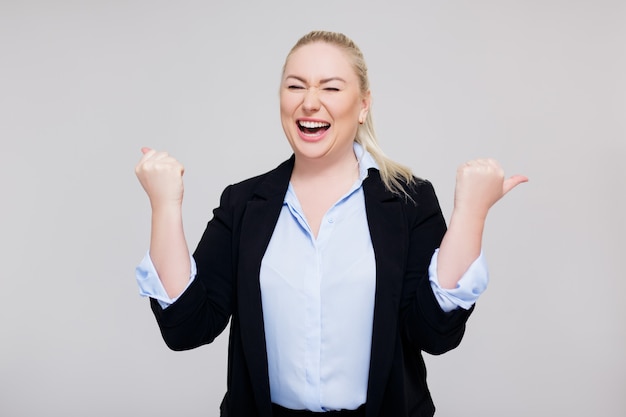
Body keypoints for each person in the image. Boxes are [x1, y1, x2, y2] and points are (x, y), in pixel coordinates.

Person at [134, 31, 527, 417]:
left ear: (363, 105)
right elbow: (186, 328)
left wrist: (471, 213)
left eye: (331, 89)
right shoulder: (243, 204)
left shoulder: (408, 201)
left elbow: (434, 333)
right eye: (296, 86)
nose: (309, 103)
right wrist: (165, 205)